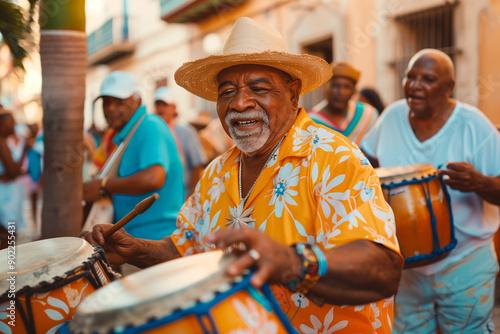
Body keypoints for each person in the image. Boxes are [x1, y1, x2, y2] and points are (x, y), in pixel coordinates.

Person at [84, 17, 402, 333]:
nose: (240, 103)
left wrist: (293, 263)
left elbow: (384, 268)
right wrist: (138, 249)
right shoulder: (217, 172)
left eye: (258, 88)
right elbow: (187, 251)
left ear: (293, 94)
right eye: (227, 92)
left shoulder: (334, 157)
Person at [361, 48, 500, 333]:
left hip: (466, 264)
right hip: (407, 269)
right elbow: (363, 164)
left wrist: (479, 183)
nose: (414, 85)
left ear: (448, 87)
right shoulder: (392, 116)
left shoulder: (473, 124)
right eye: (410, 77)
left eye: (427, 79)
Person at [83, 71, 184, 239]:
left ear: (136, 99)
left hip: (155, 238)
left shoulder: (149, 125)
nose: (110, 108)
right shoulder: (128, 134)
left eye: (117, 101)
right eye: (105, 102)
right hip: (134, 240)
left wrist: (104, 185)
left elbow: (154, 178)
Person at [154, 86, 208, 198]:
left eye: (164, 105)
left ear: (174, 108)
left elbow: (197, 165)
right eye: (158, 105)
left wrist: (191, 194)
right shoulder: (154, 134)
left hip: (182, 196)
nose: (160, 109)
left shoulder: (186, 132)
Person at [308, 62, 378, 144]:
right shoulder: (311, 121)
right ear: (325, 88)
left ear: (354, 90)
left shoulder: (367, 114)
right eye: (335, 86)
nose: (341, 92)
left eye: (347, 87)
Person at [0, 109, 34, 248]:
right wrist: (25, 150)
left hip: (8, 194)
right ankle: (9, 268)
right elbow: (12, 171)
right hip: (7, 197)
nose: (13, 126)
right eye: (10, 122)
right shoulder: (1, 143)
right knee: (9, 237)